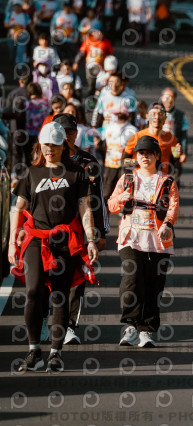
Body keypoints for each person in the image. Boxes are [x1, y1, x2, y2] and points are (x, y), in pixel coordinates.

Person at [9, 121, 99, 373]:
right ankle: (34, 351)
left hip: (65, 240)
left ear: (63, 146)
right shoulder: (31, 173)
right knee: (33, 291)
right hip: (36, 239)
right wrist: (12, 243)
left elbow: (85, 207)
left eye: (55, 145)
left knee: (60, 294)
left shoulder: (76, 173)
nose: (50, 149)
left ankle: (55, 353)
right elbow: (18, 209)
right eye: (45, 145)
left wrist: (91, 238)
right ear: (40, 146)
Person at [108, 135, 179, 348]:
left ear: (157, 155)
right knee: (132, 277)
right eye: (141, 153)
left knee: (153, 284)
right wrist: (121, 198)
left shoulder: (167, 181)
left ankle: (146, 330)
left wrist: (168, 224)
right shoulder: (127, 178)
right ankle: (130, 325)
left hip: (158, 239)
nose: (144, 157)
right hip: (131, 237)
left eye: (149, 153)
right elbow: (112, 204)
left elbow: (173, 206)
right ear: (136, 156)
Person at [52, 112, 109, 345]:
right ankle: (48, 319)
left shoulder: (89, 162)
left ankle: (69, 326)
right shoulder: (46, 160)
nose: (67, 135)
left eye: (71, 131)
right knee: (49, 276)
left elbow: (98, 199)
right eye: (62, 131)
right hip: (50, 229)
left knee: (77, 278)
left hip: (80, 229)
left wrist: (100, 231)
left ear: (77, 133)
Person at [123, 102, 181, 175]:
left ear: (165, 118)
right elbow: (124, 161)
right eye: (153, 114)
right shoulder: (136, 137)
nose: (157, 117)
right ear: (147, 116)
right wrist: (141, 162)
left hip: (161, 179)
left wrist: (178, 155)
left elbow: (175, 162)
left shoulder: (172, 139)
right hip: (140, 179)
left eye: (161, 114)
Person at [99, 105, 138, 199]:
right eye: (116, 113)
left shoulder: (133, 130)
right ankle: (106, 207)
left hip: (126, 166)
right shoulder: (108, 127)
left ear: (127, 114)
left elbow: (136, 150)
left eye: (121, 113)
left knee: (126, 191)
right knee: (107, 192)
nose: (118, 115)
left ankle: (124, 208)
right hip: (110, 164)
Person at [74, 26, 114, 96]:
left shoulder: (106, 42)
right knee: (91, 84)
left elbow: (110, 55)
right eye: (96, 32)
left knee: (101, 84)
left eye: (100, 32)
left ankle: (100, 97)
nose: (98, 34)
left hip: (101, 67)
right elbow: (81, 53)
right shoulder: (87, 41)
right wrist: (76, 62)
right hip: (90, 67)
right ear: (93, 33)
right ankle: (91, 97)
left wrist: (110, 66)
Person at [160, 87, 188, 185]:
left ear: (175, 99)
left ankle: (174, 192)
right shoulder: (155, 113)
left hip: (174, 147)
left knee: (175, 173)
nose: (168, 100)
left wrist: (183, 152)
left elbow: (184, 135)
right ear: (161, 98)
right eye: (166, 97)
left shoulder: (180, 115)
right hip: (160, 147)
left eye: (171, 97)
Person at [5, 1, 34, 66]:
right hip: (12, 37)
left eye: (18, 6)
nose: (17, 8)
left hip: (22, 37)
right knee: (12, 52)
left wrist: (34, 33)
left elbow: (30, 25)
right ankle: (12, 64)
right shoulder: (9, 14)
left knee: (20, 52)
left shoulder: (25, 15)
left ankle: (19, 67)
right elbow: (5, 25)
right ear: (13, 7)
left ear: (21, 7)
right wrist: (14, 25)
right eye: (15, 6)